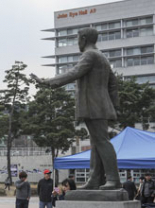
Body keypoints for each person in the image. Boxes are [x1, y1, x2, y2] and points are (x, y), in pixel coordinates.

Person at [32, 27, 120, 190]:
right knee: (96, 143)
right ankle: (96, 179)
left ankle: (113, 179)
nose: (77, 42)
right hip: (101, 105)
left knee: (101, 141)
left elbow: (74, 72)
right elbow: (113, 84)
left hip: (93, 105)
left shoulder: (90, 55)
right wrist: (114, 107)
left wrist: (48, 82)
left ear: (84, 38)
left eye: (78, 38)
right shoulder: (102, 57)